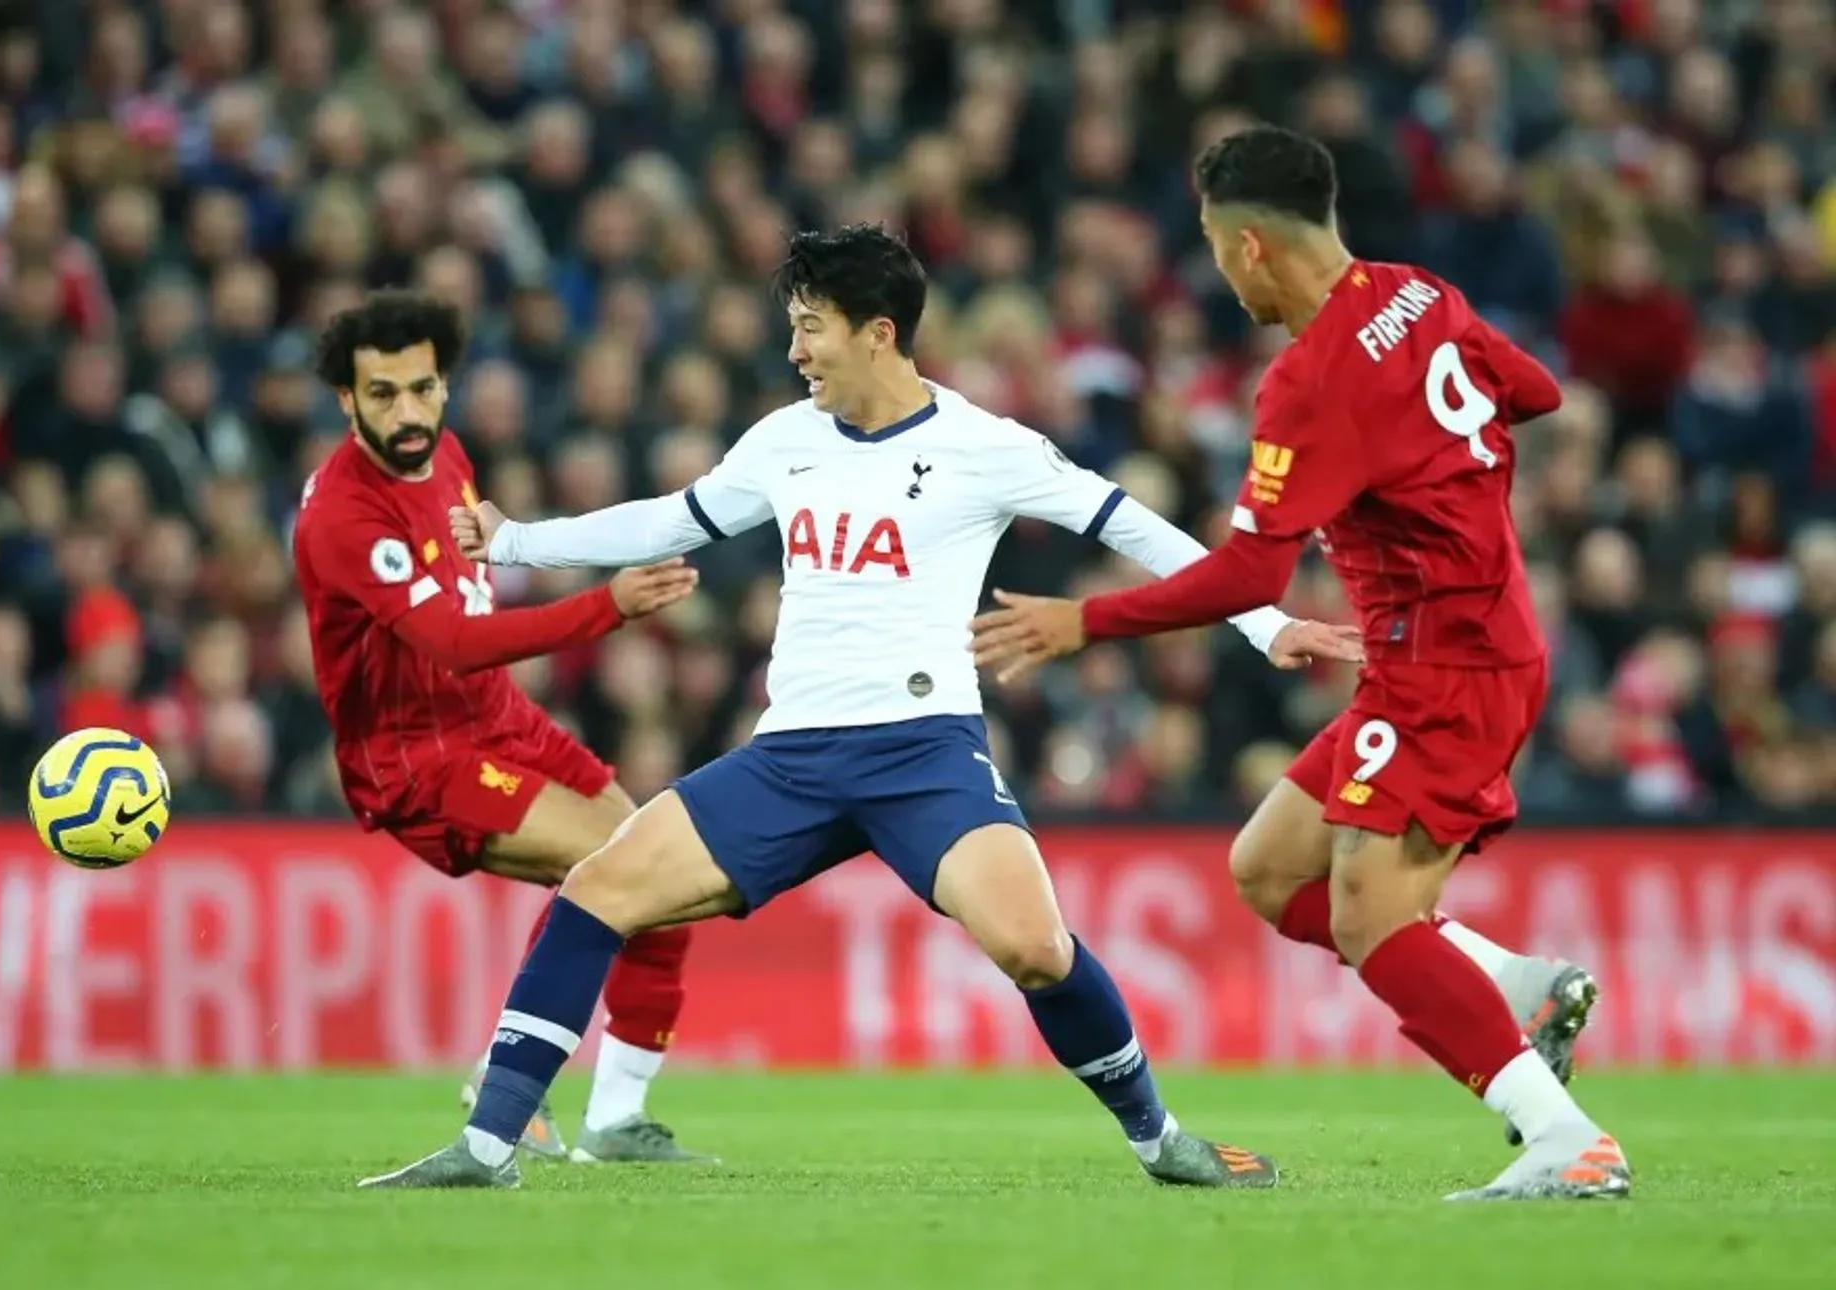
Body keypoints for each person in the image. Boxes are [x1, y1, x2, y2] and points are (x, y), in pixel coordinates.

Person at [358, 224, 1364, 1193]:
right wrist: (517, 541)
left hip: (924, 754)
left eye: (810, 326)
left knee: (1034, 949)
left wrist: (1264, 626)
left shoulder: (985, 445)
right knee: (595, 891)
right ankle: (486, 1145)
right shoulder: (784, 440)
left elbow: (1136, 528)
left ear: (876, 331)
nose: (794, 349)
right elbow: (674, 519)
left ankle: (1162, 1141)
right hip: (789, 757)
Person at [968, 126, 1629, 1201]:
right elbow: (1536, 392)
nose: (1219, 267)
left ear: (1248, 249)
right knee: (1269, 869)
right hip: (1463, 643)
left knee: (1370, 919)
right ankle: (1518, 984)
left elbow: (1247, 577)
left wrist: (1084, 622)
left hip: (1444, 661)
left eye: (1214, 246)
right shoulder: (1420, 292)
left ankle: (1564, 1139)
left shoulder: (1309, 379)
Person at [292, 290, 716, 1164]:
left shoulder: (445, 453)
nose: (407, 412)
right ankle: (504, 1082)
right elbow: (448, 643)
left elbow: (469, 577)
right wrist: (608, 604)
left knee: (666, 878)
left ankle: (615, 1120)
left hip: (499, 722)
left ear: (445, 381)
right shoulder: (344, 515)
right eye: (382, 395)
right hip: (417, 757)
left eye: (421, 387)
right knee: (608, 868)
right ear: (347, 399)